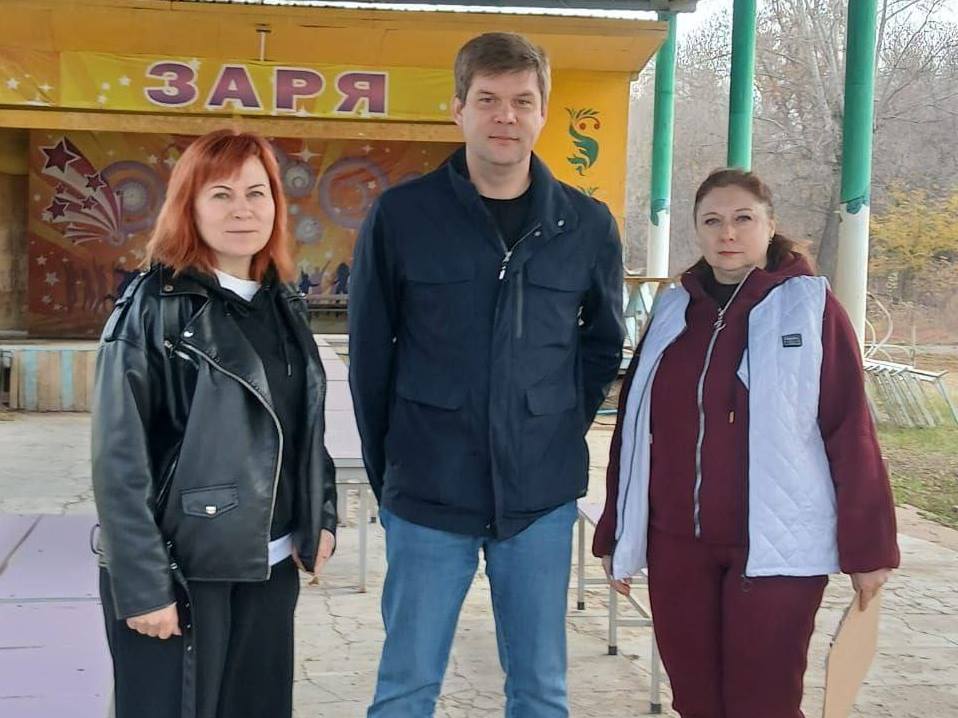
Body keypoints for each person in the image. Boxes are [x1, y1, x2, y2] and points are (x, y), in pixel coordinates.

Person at [349, 32, 624, 717]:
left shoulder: (586, 225)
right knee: (406, 688)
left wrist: (551, 424)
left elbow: (601, 346)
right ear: (458, 109)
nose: (506, 116)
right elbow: (371, 357)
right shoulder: (402, 216)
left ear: (543, 112)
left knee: (540, 690)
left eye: (523, 101)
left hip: (539, 499)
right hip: (428, 491)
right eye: (488, 99)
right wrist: (393, 474)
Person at [593, 168, 900, 718]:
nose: (727, 233)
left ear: (770, 225)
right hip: (677, 545)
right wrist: (618, 530)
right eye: (712, 220)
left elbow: (849, 427)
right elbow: (635, 430)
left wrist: (870, 548)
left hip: (777, 551)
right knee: (695, 701)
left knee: (764, 703)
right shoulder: (672, 311)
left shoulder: (810, 308)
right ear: (697, 229)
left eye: (743, 218)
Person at [91, 129, 337, 718]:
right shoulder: (152, 306)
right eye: (221, 195)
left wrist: (320, 514)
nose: (242, 210)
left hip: (269, 563)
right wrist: (142, 585)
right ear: (190, 206)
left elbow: (303, 425)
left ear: (275, 204)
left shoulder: (282, 303)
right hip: (183, 572)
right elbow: (118, 460)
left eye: (256, 193)